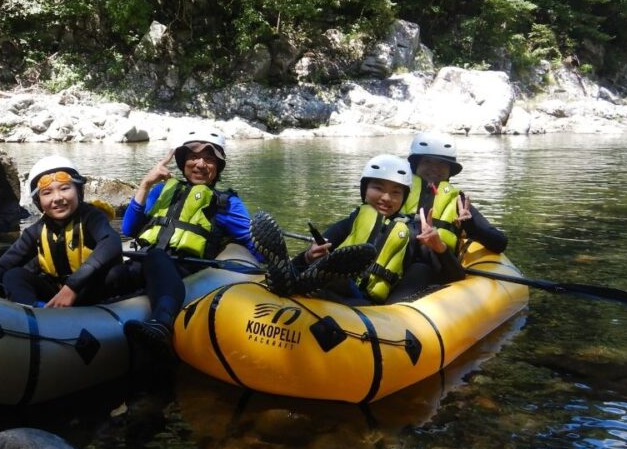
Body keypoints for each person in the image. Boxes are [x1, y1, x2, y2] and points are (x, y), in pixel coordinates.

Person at [115, 127, 261, 353]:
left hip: (183, 268)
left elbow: (255, 244)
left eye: (209, 159)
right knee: (110, 273)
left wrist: (298, 261)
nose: (200, 164)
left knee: (156, 257)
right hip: (142, 264)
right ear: (183, 161)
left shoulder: (226, 203)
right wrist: (145, 184)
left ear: (218, 167)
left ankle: (162, 324)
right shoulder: (161, 190)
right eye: (193, 157)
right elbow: (129, 228)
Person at [257, 154, 463, 304]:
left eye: (395, 192)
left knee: (332, 277)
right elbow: (316, 250)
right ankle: (289, 277)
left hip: (368, 306)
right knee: (319, 261)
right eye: (378, 188)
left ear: (403, 198)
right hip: (333, 288)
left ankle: (302, 283)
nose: (386, 198)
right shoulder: (353, 221)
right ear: (365, 191)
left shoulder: (414, 231)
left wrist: (439, 247)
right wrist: (309, 257)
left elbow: (454, 278)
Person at [0, 156, 122, 307]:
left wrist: (72, 286)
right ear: (38, 201)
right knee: (13, 275)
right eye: (47, 193)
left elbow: (111, 242)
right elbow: (7, 262)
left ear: (79, 191)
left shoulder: (91, 217)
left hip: (90, 288)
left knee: (116, 274)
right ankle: (32, 313)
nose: (57, 198)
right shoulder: (37, 230)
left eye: (65, 188)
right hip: (57, 291)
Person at [402, 132, 507, 254]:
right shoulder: (398, 191)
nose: (435, 168)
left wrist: (470, 225)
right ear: (416, 165)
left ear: (450, 169)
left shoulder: (459, 202)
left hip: (436, 265)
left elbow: (500, 243)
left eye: (442, 163)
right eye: (427, 161)